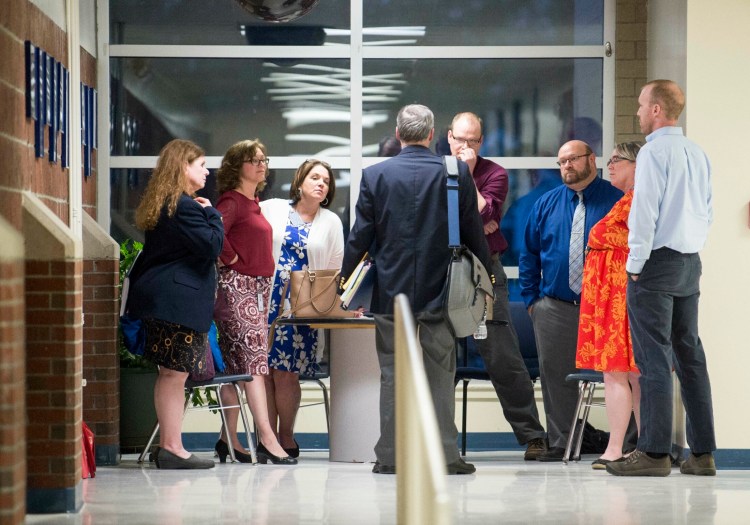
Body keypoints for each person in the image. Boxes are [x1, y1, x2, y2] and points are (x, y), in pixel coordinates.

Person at [341, 104, 492, 475]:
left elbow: (361, 235)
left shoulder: (375, 176)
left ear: (398, 133)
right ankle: (445, 456)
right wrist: (486, 278)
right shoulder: (455, 172)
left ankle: (390, 456)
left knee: (392, 372)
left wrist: (343, 282)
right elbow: (473, 232)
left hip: (391, 293)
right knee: (441, 372)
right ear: (431, 134)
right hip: (443, 290)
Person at [607, 80, 716, 477]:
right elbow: (708, 209)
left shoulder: (654, 153)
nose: (637, 112)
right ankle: (702, 454)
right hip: (690, 261)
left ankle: (653, 453)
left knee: (652, 359)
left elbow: (645, 211)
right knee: (690, 357)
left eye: (640, 105)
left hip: (655, 263)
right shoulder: (697, 152)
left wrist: (635, 264)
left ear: (656, 110)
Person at [447, 111, 546, 460]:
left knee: (502, 354)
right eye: (460, 139)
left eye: (473, 140)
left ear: (481, 141)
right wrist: (474, 222)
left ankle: (533, 435)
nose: (465, 146)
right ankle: (437, 441)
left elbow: (486, 216)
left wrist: (468, 175)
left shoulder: (495, 174)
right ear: (448, 137)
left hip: (483, 270)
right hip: (442, 270)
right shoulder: (433, 172)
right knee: (436, 353)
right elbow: (440, 222)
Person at [519, 139, 622, 461]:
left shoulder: (616, 200)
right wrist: (532, 301)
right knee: (556, 377)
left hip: (606, 307)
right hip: (556, 306)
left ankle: (630, 443)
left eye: (573, 160)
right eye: (561, 162)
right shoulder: (546, 204)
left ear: (592, 159)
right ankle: (562, 441)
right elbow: (529, 255)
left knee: (622, 374)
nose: (567, 167)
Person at [128, 139, 223, 469]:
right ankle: (172, 447)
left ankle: (171, 446)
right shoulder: (183, 206)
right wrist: (212, 213)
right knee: (174, 375)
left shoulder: (170, 203)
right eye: (201, 165)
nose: (207, 170)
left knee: (171, 373)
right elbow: (212, 246)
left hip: (167, 300)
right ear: (184, 166)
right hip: (174, 302)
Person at [214, 139, 296, 465]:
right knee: (254, 365)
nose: (262, 165)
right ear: (238, 167)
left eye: (264, 159)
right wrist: (232, 258)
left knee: (240, 367)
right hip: (238, 288)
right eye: (254, 160)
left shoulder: (252, 203)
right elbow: (214, 234)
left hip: (258, 290)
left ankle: (228, 440)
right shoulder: (232, 201)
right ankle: (268, 439)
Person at [261, 159, 347, 459]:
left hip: (303, 307)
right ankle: (266, 436)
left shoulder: (331, 222)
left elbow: (335, 269)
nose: (321, 183)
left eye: (326, 180)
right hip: (266, 300)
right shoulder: (272, 208)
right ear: (300, 182)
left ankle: (286, 435)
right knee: (265, 372)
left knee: (287, 373)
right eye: (315, 177)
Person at [576, 141, 643, 470]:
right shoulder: (627, 201)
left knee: (621, 373)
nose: (610, 165)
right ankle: (641, 446)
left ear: (636, 165)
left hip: (621, 297)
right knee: (628, 375)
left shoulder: (639, 200)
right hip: (611, 296)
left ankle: (617, 447)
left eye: (618, 160)